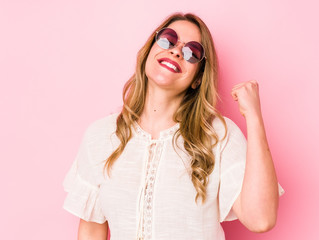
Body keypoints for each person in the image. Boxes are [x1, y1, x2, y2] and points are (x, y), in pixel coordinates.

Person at [62, 12, 284, 240]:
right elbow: (91, 230)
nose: (177, 51)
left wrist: (254, 117)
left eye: (192, 52)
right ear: (149, 52)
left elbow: (261, 219)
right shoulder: (101, 135)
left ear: (198, 78)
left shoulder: (218, 135)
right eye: (168, 39)